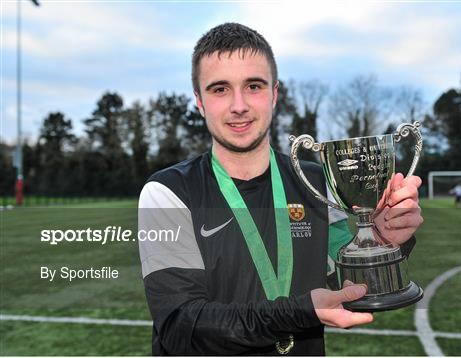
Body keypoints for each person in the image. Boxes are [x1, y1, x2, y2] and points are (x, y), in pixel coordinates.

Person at [138, 23, 423, 356]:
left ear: (274, 93)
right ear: (200, 102)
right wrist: (299, 312)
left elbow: (348, 291)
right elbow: (180, 325)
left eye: (253, 86)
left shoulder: (317, 182)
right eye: (219, 89)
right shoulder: (168, 192)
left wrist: (383, 241)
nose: (239, 105)